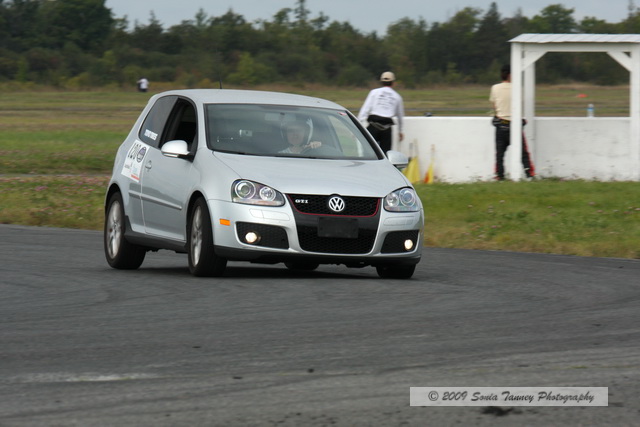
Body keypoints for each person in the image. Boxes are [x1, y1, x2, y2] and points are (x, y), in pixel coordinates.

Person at [489, 64, 534, 180]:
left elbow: (495, 106)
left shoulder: (495, 88)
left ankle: (499, 176)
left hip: (501, 125)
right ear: (510, 75)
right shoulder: (517, 88)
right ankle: (529, 175)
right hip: (514, 126)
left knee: (499, 155)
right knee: (523, 153)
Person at [357, 71, 405, 152]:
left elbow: (364, 110)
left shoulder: (374, 92)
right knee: (385, 154)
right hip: (386, 129)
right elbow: (400, 116)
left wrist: (358, 126)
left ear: (381, 82)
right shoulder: (397, 97)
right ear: (393, 83)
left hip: (373, 127)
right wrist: (400, 131)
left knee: (369, 152)